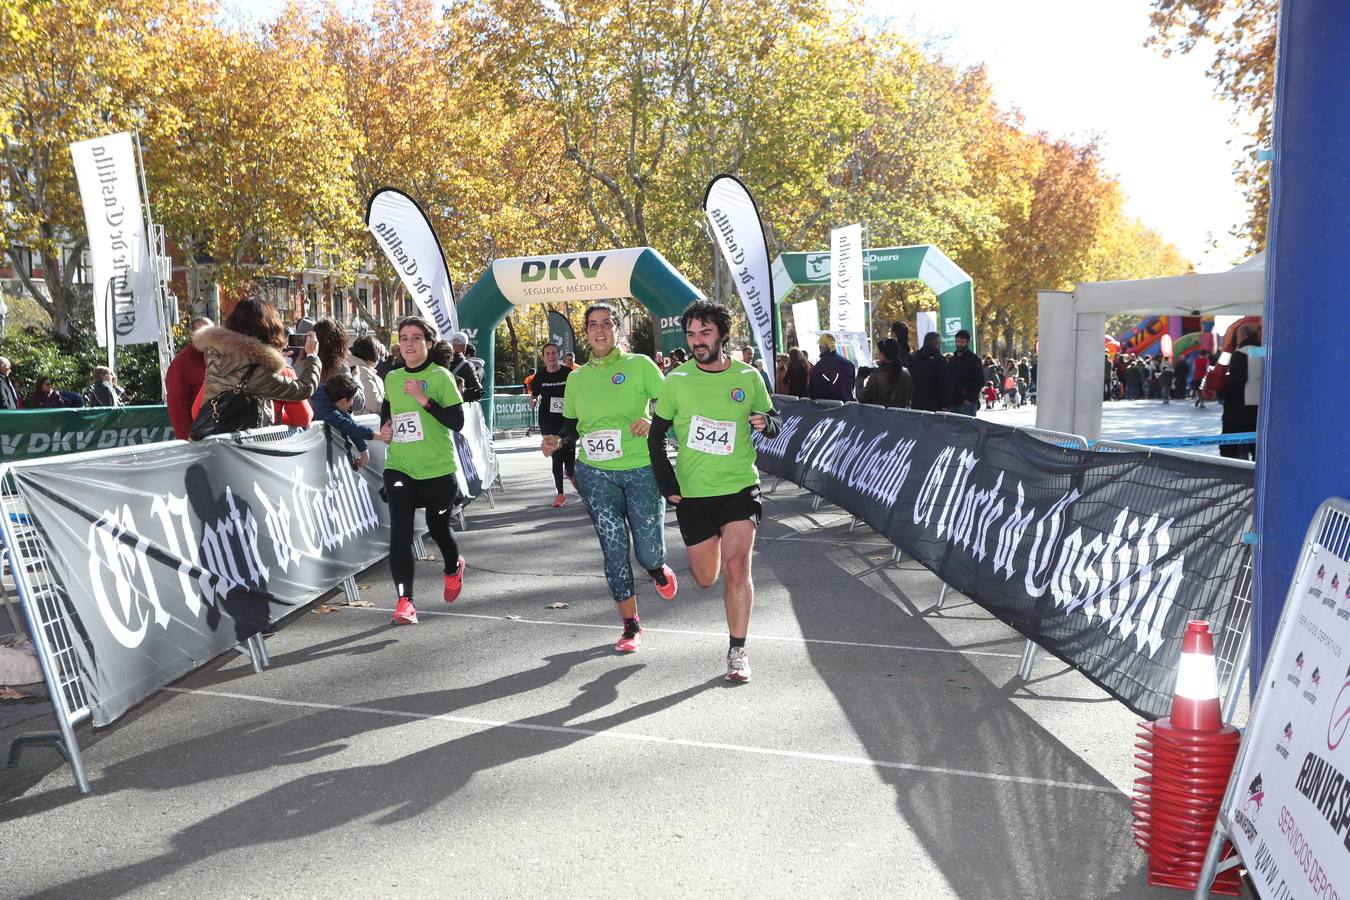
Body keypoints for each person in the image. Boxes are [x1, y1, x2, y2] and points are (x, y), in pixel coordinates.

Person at [648, 301, 781, 682]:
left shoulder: (748, 376)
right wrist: (667, 485)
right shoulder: (676, 380)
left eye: (704, 333)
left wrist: (765, 424)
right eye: (691, 334)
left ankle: (737, 651)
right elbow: (656, 438)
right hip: (694, 493)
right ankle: (715, 544)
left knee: (737, 568)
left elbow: (773, 420)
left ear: (722, 333)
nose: (697, 341)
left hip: (739, 485)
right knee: (707, 578)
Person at [542, 302, 677, 653]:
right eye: (592, 325)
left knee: (647, 552)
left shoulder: (640, 365)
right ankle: (631, 625)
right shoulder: (577, 377)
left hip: (642, 469)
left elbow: (672, 405)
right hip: (596, 473)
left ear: (618, 329)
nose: (599, 330)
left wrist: (653, 423)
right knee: (613, 548)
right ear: (585, 333)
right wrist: (557, 439)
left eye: (606, 324)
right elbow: (571, 426)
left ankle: (657, 567)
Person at [377, 316, 467, 625]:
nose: (409, 343)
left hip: (438, 469)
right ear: (399, 344)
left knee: (438, 526)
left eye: (416, 338)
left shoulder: (441, 376)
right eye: (404, 338)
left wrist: (424, 400)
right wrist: (385, 425)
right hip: (400, 465)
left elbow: (457, 422)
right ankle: (405, 602)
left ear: (427, 343)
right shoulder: (391, 377)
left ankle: (453, 566)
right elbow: (388, 406)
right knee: (400, 533)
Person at [191, 297, 320, 437]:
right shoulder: (276, 372)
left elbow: (196, 411)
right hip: (255, 452)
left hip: (217, 452)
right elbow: (303, 416)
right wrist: (312, 356)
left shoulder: (220, 364)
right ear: (271, 329)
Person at [311, 371, 388, 470]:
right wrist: (382, 437)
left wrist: (363, 449)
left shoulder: (327, 393)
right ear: (343, 400)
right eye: (352, 399)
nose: (352, 403)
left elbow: (349, 421)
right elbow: (349, 427)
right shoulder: (324, 409)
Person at [530, 342, 575, 507]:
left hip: (567, 421)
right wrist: (533, 400)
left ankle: (571, 473)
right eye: (547, 353)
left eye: (553, 353)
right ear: (544, 357)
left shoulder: (568, 374)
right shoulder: (540, 377)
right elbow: (534, 394)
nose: (551, 356)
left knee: (569, 459)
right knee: (556, 455)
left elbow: (577, 393)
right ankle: (560, 494)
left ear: (558, 355)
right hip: (548, 422)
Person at [1219, 326, 1261, 460]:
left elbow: (1237, 380)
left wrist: (1221, 392)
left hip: (1238, 408)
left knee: (1230, 447)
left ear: (1242, 336)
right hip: (1259, 408)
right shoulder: (1263, 352)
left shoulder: (1241, 353)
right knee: (1256, 447)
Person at [166, 317, 212, 439]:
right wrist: (186, 440)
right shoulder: (180, 363)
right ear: (191, 334)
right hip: (198, 437)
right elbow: (177, 407)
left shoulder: (219, 358)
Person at [855, 338, 912, 408]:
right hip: (901, 417)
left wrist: (860, 378)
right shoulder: (906, 374)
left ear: (883, 355)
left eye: (879, 353)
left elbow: (861, 398)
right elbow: (909, 398)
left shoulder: (877, 376)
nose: (878, 356)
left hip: (880, 417)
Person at [909, 332, 951, 412]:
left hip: (916, 403)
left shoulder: (913, 357)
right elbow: (944, 382)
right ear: (937, 344)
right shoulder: (939, 359)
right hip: (935, 405)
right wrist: (946, 403)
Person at [807, 333, 855, 401]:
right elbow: (851, 387)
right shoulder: (850, 365)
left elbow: (812, 393)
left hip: (825, 408)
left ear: (820, 347)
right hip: (847, 408)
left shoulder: (817, 368)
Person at [346, 335, 385, 415]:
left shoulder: (354, 367)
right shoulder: (363, 371)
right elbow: (373, 404)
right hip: (368, 420)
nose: (380, 357)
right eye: (379, 353)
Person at [947, 329, 983, 416]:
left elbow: (979, 380)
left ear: (967, 342)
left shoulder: (974, 359)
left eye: (962, 342)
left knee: (968, 428)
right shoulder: (952, 360)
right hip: (953, 403)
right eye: (958, 341)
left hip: (967, 404)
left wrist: (970, 398)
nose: (959, 344)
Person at [445, 332, 484, 402]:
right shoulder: (467, 365)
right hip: (458, 406)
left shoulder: (438, 361)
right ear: (464, 347)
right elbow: (478, 391)